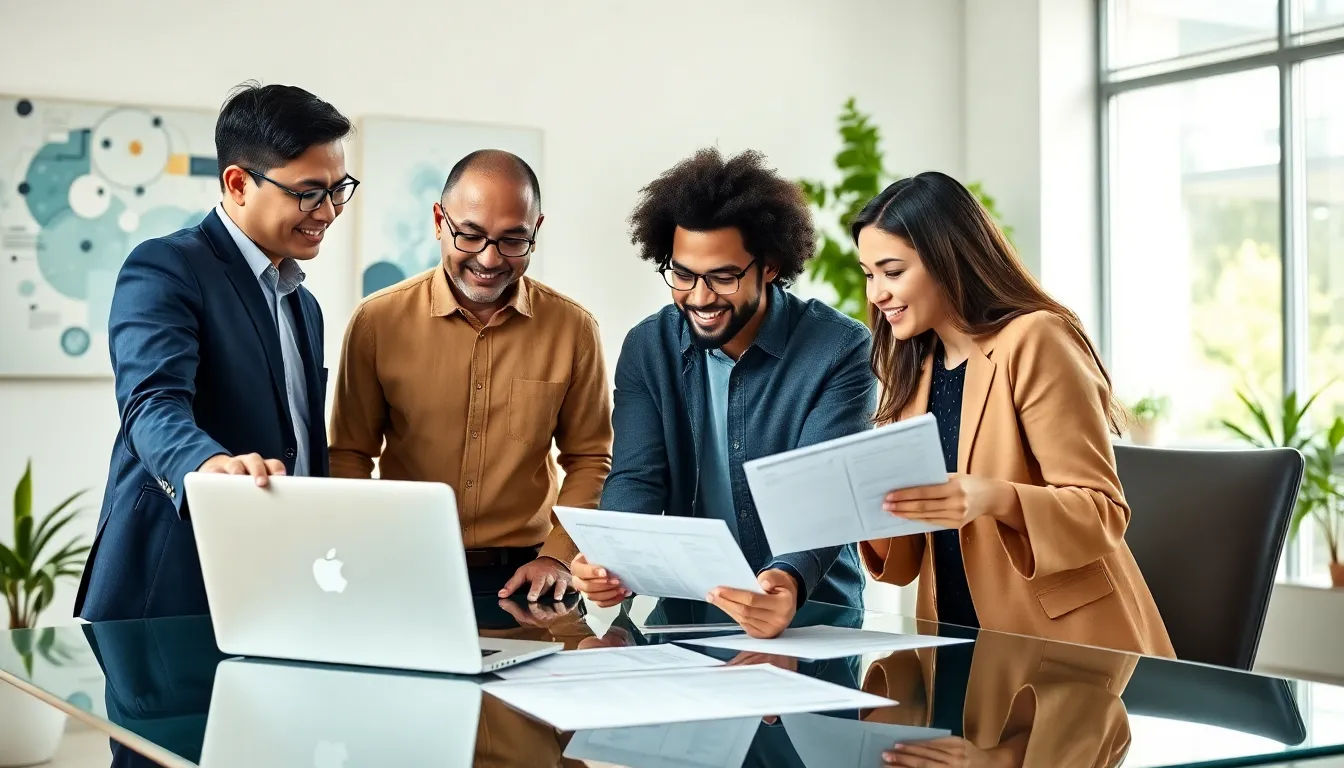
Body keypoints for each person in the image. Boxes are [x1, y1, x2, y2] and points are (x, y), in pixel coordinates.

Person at [853, 171, 1174, 657]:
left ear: (947, 260)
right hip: (957, 649)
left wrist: (992, 497)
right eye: (869, 274)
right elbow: (902, 566)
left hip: (1069, 653)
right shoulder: (913, 370)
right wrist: (864, 505)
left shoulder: (1036, 339)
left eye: (893, 272)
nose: (877, 293)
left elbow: (1102, 512)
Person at [569, 147, 876, 638]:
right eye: (683, 274)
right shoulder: (649, 346)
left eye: (724, 276)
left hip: (811, 617)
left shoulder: (839, 348)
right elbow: (636, 478)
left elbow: (824, 497)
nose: (700, 296)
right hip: (687, 619)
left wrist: (786, 579)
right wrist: (609, 559)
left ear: (771, 265)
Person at [75, 82, 354, 622]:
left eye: (339, 189)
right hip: (171, 585)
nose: (329, 211)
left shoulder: (305, 303)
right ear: (238, 183)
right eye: (309, 192)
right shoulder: (166, 267)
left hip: (278, 584)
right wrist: (207, 464)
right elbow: (151, 403)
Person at [328, 149, 612, 602]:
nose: (490, 258)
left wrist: (558, 556)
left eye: (512, 240)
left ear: (536, 231)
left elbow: (590, 459)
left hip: (529, 576)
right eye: (471, 236)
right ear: (439, 221)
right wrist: (367, 547)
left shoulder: (574, 329)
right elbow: (348, 455)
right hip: (403, 566)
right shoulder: (376, 322)